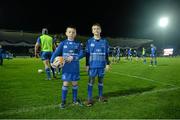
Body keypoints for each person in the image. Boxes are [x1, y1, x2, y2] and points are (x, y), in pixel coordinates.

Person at [50, 26, 84, 109]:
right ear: (66, 33)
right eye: (69, 32)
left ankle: (75, 100)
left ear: (75, 34)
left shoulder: (78, 44)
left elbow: (82, 53)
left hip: (75, 67)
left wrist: (74, 58)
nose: (71, 34)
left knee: (75, 83)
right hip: (66, 68)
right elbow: (56, 53)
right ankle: (63, 101)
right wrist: (51, 61)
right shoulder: (63, 43)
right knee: (65, 83)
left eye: (73, 32)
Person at [85, 23, 110, 107]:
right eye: (94, 29)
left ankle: (100, 97)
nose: (96, 30)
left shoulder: (105, 42)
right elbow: (87, 54)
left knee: (101, 82)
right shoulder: (89, 41)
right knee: (91, 82)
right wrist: (87, 65)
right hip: (92, 66)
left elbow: (106, 54)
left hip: (101, 66)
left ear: (100, 30)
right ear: (92, 31)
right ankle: (89, 99)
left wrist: (107, 64)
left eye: (97, 28)